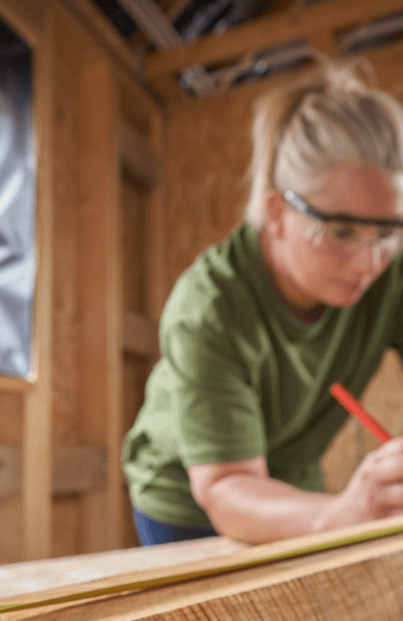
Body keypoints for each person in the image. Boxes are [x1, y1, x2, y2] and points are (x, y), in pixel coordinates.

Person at [122, 58, 403, 546]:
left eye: (389, 231)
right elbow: (226, 483)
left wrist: (341, 512)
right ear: (277, 211)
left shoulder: (389, 265)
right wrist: (342, 513)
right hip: (193, 496)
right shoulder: (209, 306)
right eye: (340, 231)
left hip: (293, 476)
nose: (369, 262)